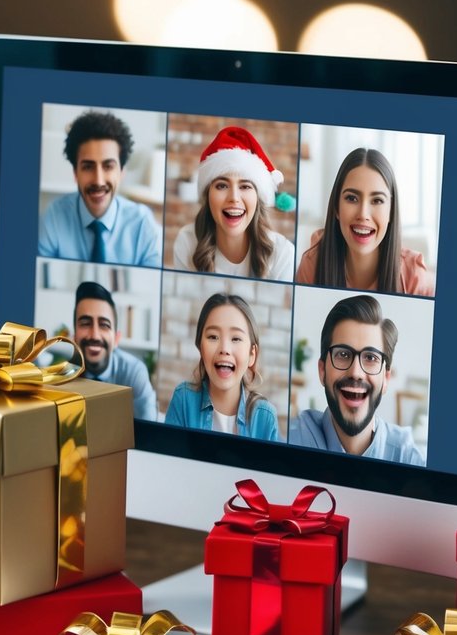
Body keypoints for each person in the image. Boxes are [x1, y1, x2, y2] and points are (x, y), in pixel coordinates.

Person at [289, 294, 425, 464]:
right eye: (343, 354)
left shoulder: (408, 457)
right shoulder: (288, 435)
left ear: (386, 379)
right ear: (322, 371)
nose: (356, 372)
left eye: (370, 358)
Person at [295, 147, 434, 296]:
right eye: (352, 198)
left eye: (377, 200)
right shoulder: (312, 265)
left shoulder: (414, 277)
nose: (363, 214)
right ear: (336, 207)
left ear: (391, 212)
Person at [39, 110, 162, 267]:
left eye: (108, 166)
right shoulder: (53, 218)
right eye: (88, 167)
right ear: (75, 173)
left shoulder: (143, 224)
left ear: (121, 172)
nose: (98, 180)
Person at [173, 126, 294, 280]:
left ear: (258, 198)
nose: (234, 198)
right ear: (207, 195)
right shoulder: (187, 243)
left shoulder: (283, 253)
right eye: (222, 185)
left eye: (245, 186)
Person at [164, 292, 279, 440]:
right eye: (213, 337)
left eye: (236, 338)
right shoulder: (184, 399)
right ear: (200, 347)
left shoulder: (265, 417)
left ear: (252, 354)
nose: (224, 348)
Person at [73, 280, 157, 421]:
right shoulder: (62, 377)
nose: (94, 335)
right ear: (74, 337)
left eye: (104, 325)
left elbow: (149, 434)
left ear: (116, 339)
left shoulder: (134, 372)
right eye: (85, 323)